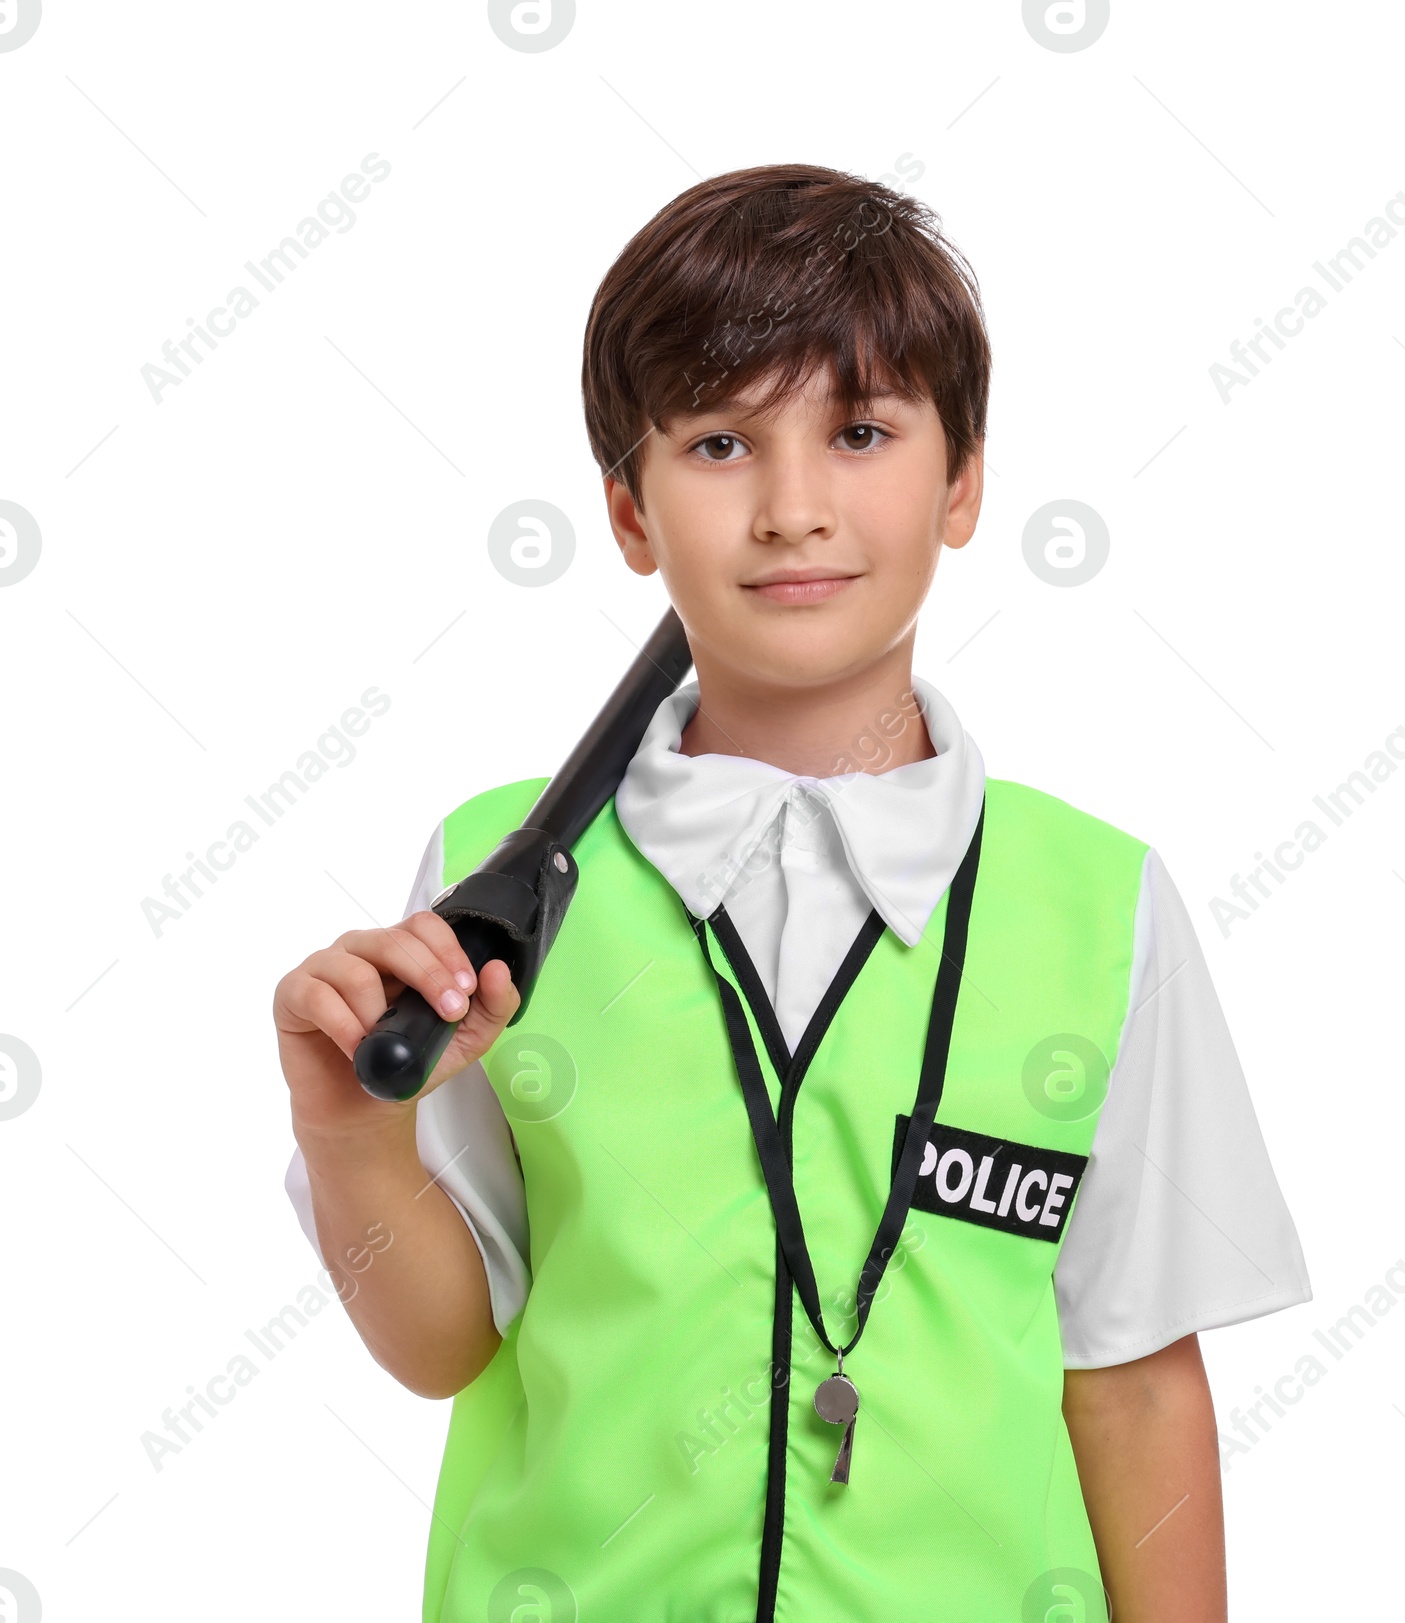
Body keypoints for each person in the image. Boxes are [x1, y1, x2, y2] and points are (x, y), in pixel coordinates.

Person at [275, 162, 1311, 1623]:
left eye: (863, 432)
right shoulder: (495, 886)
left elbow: (1136, 1388)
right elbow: (445, 1345)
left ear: (961, 487)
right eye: (717, 445)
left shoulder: (1099, 908)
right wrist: (351, 1137)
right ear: (630, 512)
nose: (793, 508)